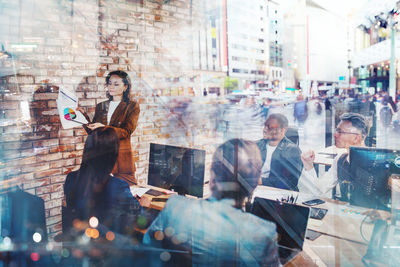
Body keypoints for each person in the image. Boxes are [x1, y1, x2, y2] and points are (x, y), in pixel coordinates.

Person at [143, 139, 279, 266]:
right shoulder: (264, 234)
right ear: (254, 184)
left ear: (212, 177)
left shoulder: (174, 206)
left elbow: (148, 250)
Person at [63, 127, 149, 237]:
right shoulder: (117, 186)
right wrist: (143, 205)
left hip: (81, 244)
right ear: (112, 156)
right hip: (106, 247)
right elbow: (143, 221)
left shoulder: (71, 178)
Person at [80, 70, 140, 185]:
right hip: (101, 157)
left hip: (121, 158)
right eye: (109, 83)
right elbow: (94, 132)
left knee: (124, 193)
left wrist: (104, 127)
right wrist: (83, 117)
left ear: (125, 87)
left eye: (116, 84)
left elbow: (126, 132)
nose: (111, 87)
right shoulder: (101, 106)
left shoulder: (132, 106)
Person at [299, 113, 370, 200]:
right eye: (336, 130)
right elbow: (318, 190)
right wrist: (309, 165)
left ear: (356, 138)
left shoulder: (375, 161)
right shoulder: (340, 159)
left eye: (340, 132)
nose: (335, 135)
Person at [257, 113, 303, 191]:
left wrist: (261, 181)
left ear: (282, 130)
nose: (265, 129)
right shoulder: (257, 145)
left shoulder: (292, 150)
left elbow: (289, 182)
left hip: (277, 194)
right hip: (256, 189)